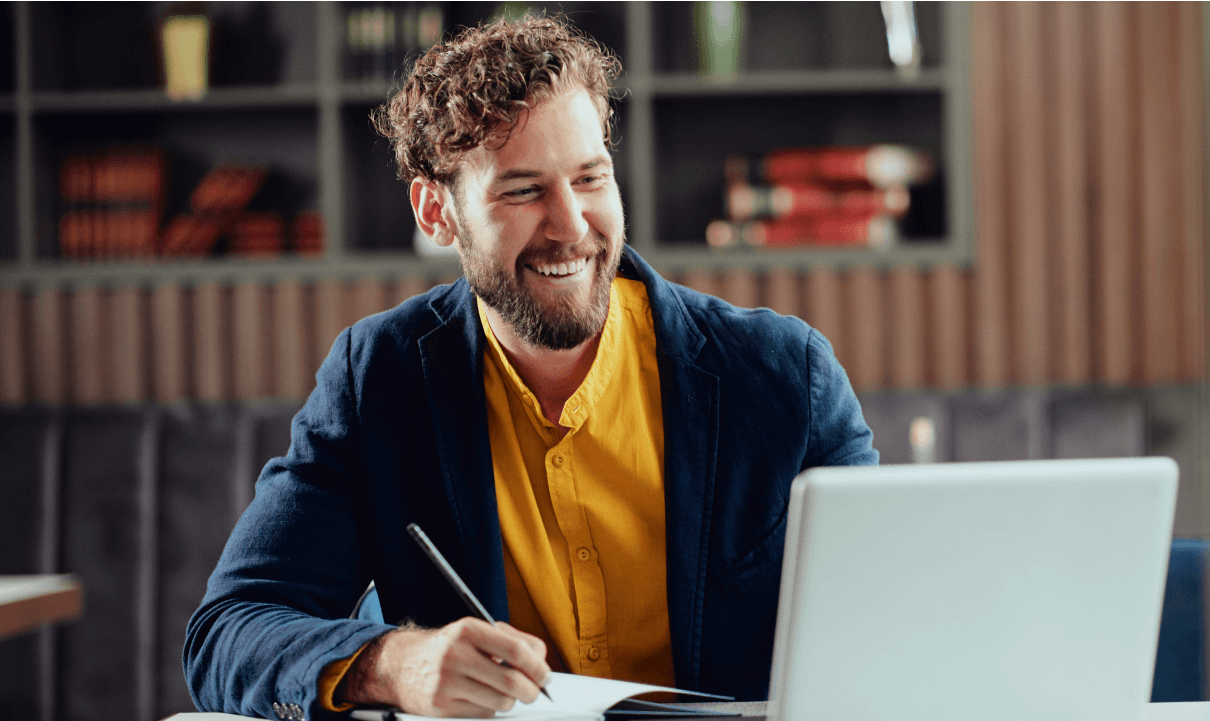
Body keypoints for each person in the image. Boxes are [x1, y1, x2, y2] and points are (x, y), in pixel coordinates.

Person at [184, 15, 877, 721]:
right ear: (436, 212)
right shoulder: (381, 380)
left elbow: (896, 621)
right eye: (523, 190)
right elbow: (227, 633)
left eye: (590, 178)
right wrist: (392, 662)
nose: (572, 224)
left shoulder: (787, 375)